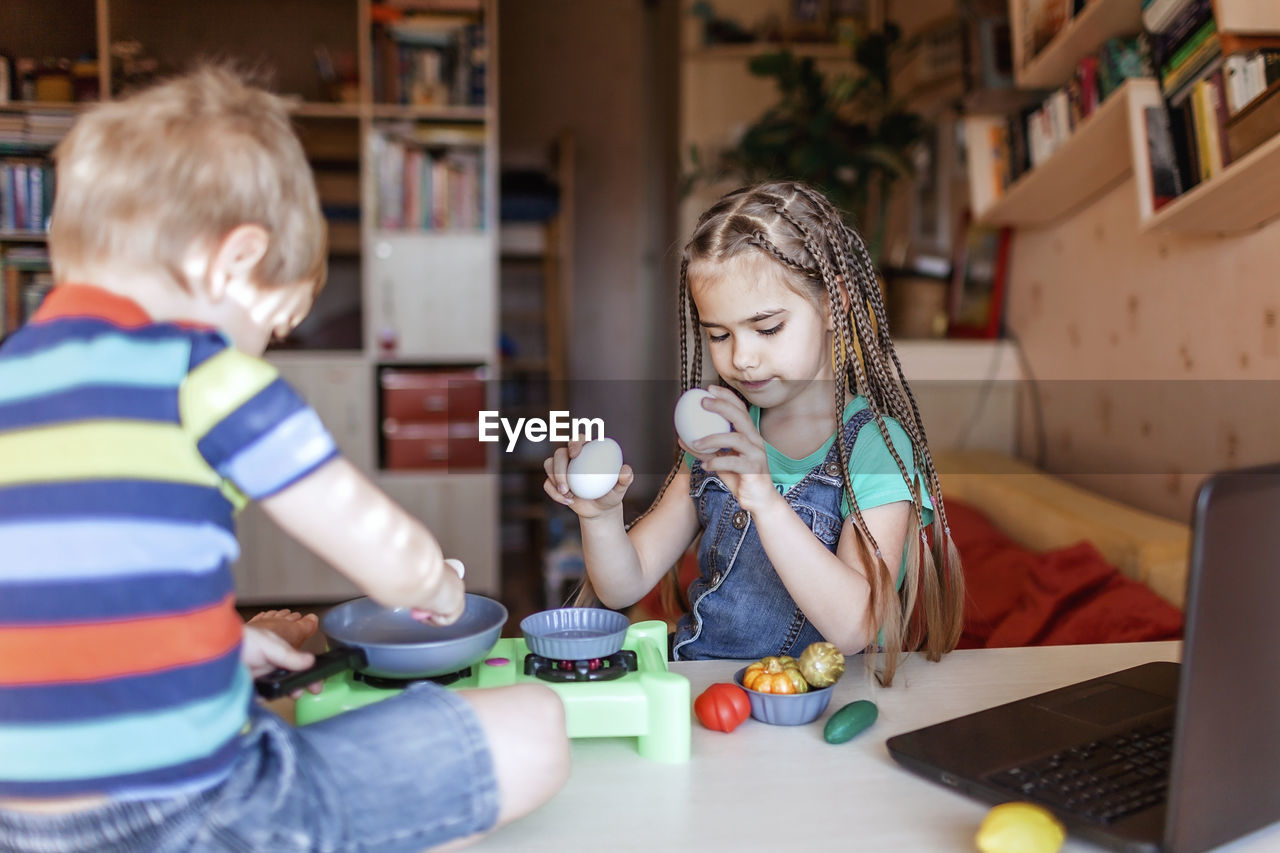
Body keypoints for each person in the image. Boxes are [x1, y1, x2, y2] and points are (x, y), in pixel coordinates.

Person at [0, 66, 568, 852]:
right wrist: (432, 581)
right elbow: (376, 542)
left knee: (278, 704)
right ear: (234, 262)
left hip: (20, 823)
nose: (264, 351)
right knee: (534, 725)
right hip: (191, 813)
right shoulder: (201, 373)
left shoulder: (13, 375)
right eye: (273, 325)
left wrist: (222, 645)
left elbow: (59, 595)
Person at [544, 180, 964, 683]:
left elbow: (856, 625)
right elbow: (624, 584)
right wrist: (600, 516)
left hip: (810, 707)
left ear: (836, 303)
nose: (740, 357)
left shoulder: (876, 446)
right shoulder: (719, 433)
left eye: (766, 328)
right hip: (705, 690)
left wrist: (764, 497)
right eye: (718, 334)